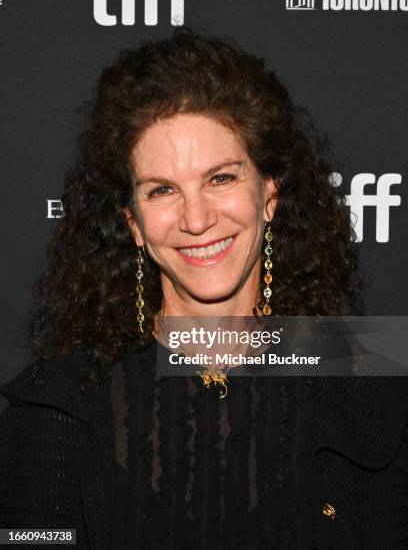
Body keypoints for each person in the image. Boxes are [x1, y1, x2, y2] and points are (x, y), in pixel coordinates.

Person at [1, 28, 407, 549]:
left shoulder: (368, 392)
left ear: (269, 194)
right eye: (163, 190)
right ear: (133, 222)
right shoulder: (61, 409)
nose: (196, 219)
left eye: (221, 179)